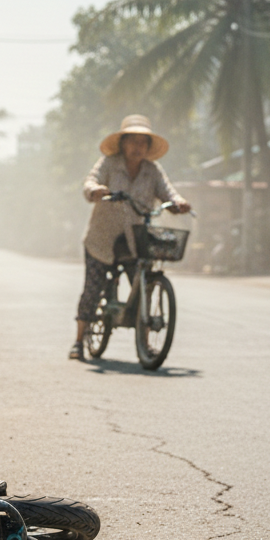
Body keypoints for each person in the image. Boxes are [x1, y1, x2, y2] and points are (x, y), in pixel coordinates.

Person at [70, 114, 190, 360]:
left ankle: (145, 344)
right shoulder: (109, 163)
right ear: (123, 143)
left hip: (134, 240)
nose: (137, 147)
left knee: (142, 285)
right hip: (101, 239)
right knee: (92, 289)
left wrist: (177, 201)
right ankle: (79, 341)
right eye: (132, 141)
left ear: (147, 147)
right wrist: (95, 190)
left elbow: (168, 191)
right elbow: (90, 181)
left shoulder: (152, 170)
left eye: (142, 142)